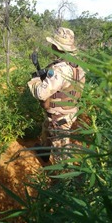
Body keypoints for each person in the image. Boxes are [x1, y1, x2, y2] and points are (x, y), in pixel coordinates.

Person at [27, 27, 85, 164]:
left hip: (60, 118)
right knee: (46, 128)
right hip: (67, 112)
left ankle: (65, 181)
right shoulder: (78, 66)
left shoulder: (60, 70)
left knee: (62, 153)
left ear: (57, 47)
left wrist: (34, 81)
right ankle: (44, 152)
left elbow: (41, 94)